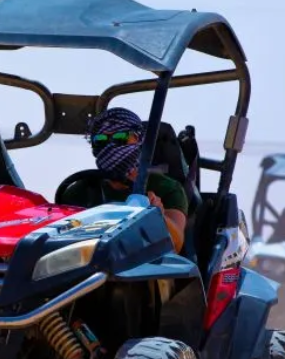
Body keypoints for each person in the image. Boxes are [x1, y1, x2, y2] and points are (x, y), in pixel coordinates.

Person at [58, 107, 188, 253]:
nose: (111, 145)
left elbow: (176, 245)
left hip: (147, 269)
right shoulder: (79, 191)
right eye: (100, 140)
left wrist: (159, 215)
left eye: (121, 138)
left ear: (139, 139)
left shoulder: (166, 187)